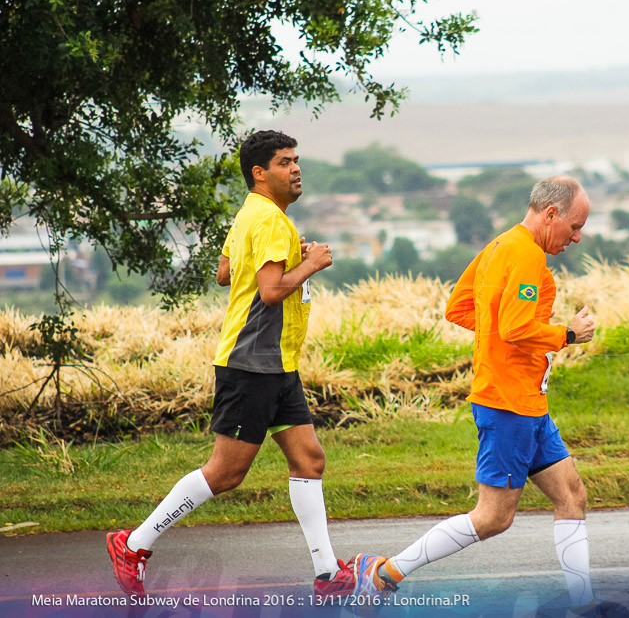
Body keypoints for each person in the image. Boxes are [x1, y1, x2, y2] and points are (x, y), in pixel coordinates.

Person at [106, 130, 354, 599]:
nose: (296, 169)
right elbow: (270, 291)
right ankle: (133, 544)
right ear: (260, 173)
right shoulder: (269, 222)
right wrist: (312, 262)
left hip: (277, 362)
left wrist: (284, 259)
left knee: (309, 458)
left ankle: (328, 575)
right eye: (284, 162)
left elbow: (224, 272)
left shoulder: (252, 215)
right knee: (226, 473)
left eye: (297, 160)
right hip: (252, 363)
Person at [349, 175, 599, 609]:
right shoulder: (524, 256)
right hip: (507, 404)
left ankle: (584, 603)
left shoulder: (500, 246)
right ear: (551, 214)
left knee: (572, 495)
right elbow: (518, 327)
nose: (577, 237)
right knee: (493, 518)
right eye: (574, 227)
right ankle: (382, 574)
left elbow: (459, 307)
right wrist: (568, 334)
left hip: (526, 403)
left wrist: (500, 337)